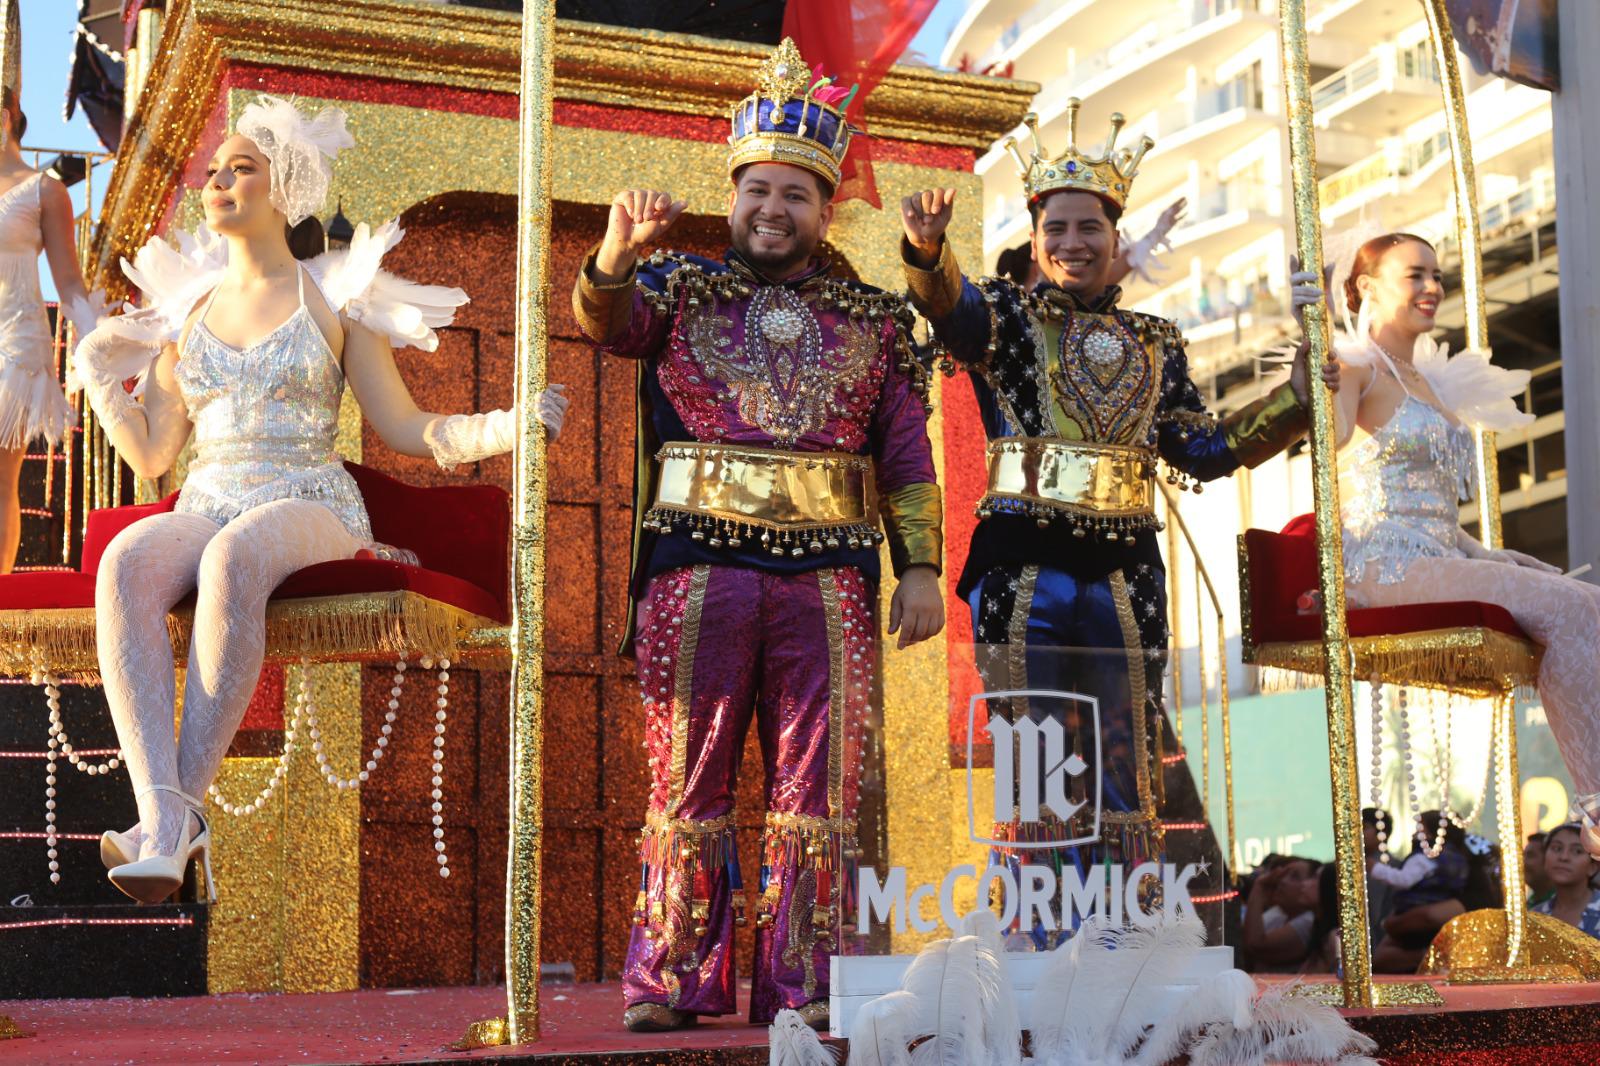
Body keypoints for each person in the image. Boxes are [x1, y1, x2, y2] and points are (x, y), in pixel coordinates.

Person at [69, 96, 568, 907]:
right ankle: (167, 817)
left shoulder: (338, 298)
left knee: (235, 559)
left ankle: (169, 825)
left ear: (283, 185)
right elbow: (156, 457)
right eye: (213, 171)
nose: (220, 180)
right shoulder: (185, 316)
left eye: (243, 167)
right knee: (126, 560)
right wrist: (99, 376)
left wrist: (508, 427)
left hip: (307, 496)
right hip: (206, 492)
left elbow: (404, 428)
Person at [570, 39, 943, 1032]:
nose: (772, 210)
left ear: (826, 209)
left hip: (829, 577)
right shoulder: (682, 288)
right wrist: (613, 253)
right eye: (758, 192)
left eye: (795, 195)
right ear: (732, 195)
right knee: (686, 776)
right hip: (698, 569)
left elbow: (907, 457)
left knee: (816, 787)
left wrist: (920, 570)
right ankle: (670, 980)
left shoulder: (874, 316)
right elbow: (606, 322)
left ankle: (804, 981)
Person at [897, 100, 1336, 928]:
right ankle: (1041, 934)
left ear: (1114, 233)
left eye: (1088, 226)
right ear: (1035, 240)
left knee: (1125, 762)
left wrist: (1296, 398)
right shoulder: (1005, 318)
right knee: (1037, 761)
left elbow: (1201, 448)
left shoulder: (1156, 339)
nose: (1072, 242)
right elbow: (947, 308)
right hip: (1024, 570)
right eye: (1055, 228)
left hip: (1126, 573)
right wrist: (926, 252)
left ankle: (1125, 933)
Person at [1329, 231, 1600, 862]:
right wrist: (1318, 376)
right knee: (1567, 609)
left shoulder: (1427, 382)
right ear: (1368, 287)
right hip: (1382, 561)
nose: (1431, 288)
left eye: (1436, 275)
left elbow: (1433, 508)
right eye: (1414, 275)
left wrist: (1488, 555)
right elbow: (1331, 441)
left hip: (1439, 555)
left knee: (1589, 601)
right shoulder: (1357, 367)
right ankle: (1595, 808)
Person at [0, 85, 104, 572]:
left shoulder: (44, 190)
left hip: (14, 341)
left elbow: (68, 281)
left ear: (6, 118)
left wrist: (96, 336)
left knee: (1, 479)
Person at [1370, 811, 1497, 971]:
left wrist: (1376, 869)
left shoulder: (1425, 859)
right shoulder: (1456, 864)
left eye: (1420, 830)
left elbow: (1425, 912)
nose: (1414, 834)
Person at [1241, 856, 1320, 972]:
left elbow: (1255, 945)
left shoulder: (1309, 921)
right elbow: (1243, 941)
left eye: (1295, 876)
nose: (1282, 881)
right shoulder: (1279, 913)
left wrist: (1259, 888)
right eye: (1283, 875)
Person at [1532, 823, 1600, 938]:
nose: (1564, 857)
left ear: (1593, 867)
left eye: (1577, 851)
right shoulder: (1535, 917)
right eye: (1557, 848)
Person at [1525, 831, 1555, 905]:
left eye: (1530, 855)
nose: (1523, 862)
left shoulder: (1562, 904)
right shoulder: (1528, 905)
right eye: (1522, 855)